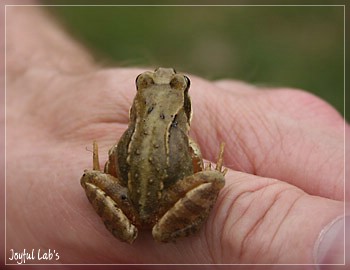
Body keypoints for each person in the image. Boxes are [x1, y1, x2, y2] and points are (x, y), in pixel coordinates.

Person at [3, 4, 348, 267]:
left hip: (128, 196)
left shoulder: (133, 121)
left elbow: (111, 163)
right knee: (213, 178)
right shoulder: (182, 125)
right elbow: (196, 162)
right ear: (183, 107)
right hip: (163, 200)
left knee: (90, 177)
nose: (163, 76)